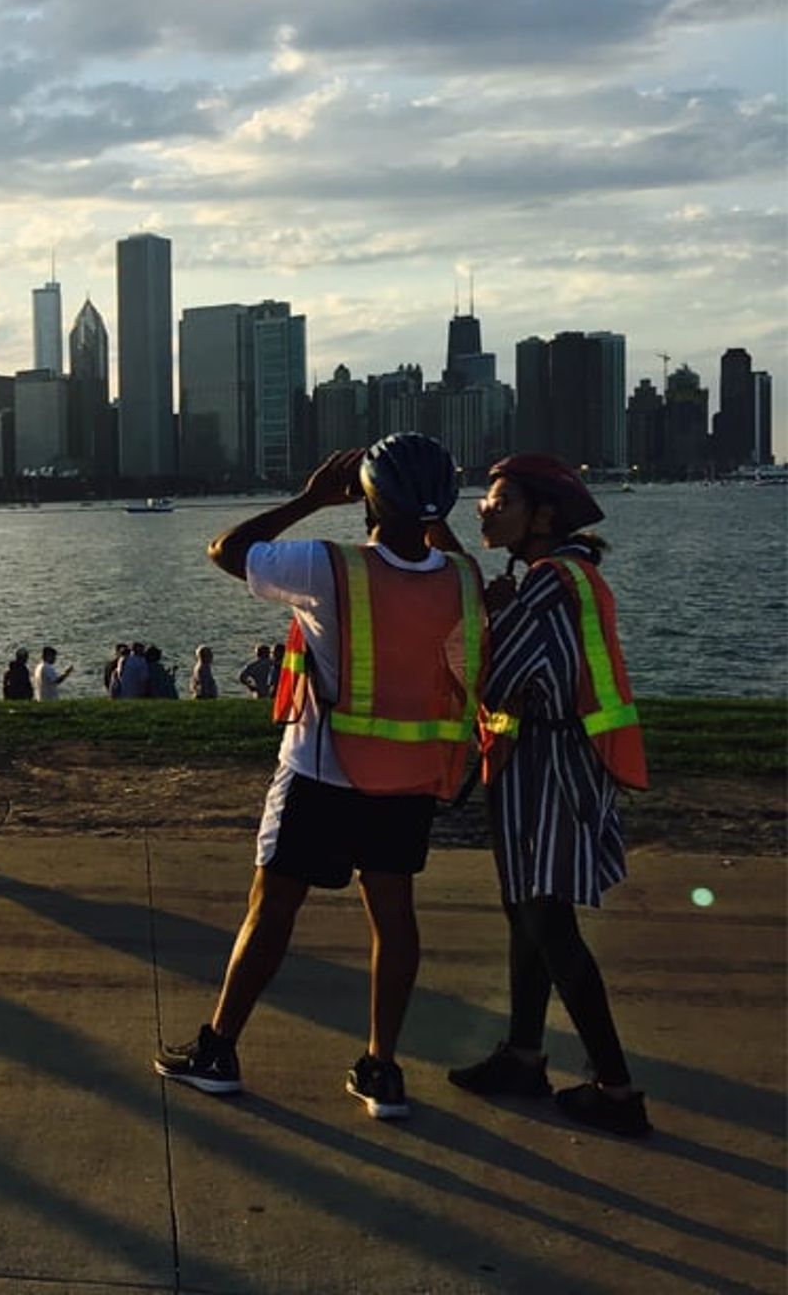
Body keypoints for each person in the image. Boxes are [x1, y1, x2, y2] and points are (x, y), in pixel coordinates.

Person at [154, 435, 485, 1120]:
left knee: (272, 909)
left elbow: (226, 549)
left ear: (366, 498)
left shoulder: (328, 567)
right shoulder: (462, 579)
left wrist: (309, 499)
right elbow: (451, 563)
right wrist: (430, 515)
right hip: (407, 781)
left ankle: (219, 1049)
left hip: (320, 773)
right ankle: (381, 1069)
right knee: (394, 921)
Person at [447, 454, 652, 1138]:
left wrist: (471, 613)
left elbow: (484, 673)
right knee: (527, 916)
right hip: (557, 761)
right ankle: (525, 1055)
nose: (484, 508)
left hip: (545, 768)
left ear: (542, 518)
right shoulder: (573, 576)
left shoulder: (544, 585)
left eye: (500, 501)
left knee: (548, 923)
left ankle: (617, 1088)